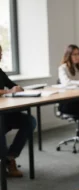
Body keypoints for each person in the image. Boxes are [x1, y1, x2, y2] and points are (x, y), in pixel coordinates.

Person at [0, 44, 36, 177]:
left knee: (29, 121)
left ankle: (9, 158)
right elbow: (8, 90)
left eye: (1, 53)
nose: (0, 55)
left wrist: (17, 88)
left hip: (5, 113)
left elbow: (13, 86)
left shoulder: (0, 72)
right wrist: (9, 91)